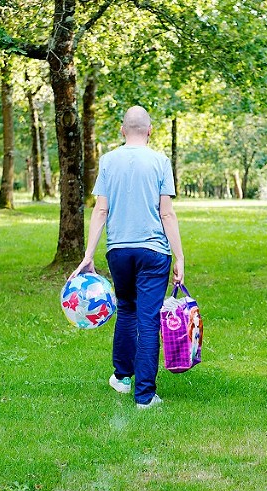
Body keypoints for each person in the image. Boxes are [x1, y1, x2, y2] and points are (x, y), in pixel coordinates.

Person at [69, 105, 185, 409]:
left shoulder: (108, 161)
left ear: (123, 130)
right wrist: (180, 256)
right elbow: (167, 213)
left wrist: (88, 254)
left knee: (127, 310)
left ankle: (121, 377)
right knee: (147, 320)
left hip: (118, 250)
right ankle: (144, 396)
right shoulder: (160, 161)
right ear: (149, 130)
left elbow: (101, 210)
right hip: (153, 251)